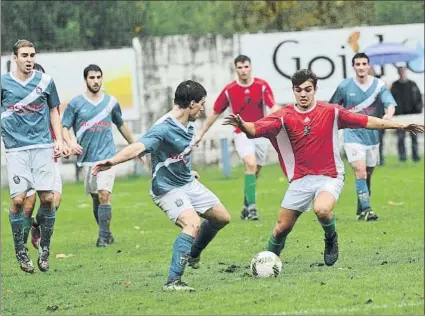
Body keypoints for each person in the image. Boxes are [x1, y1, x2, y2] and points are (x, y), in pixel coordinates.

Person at [223, 69, 424, 266]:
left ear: (315, 89)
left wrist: (400, 126)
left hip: (330, 175)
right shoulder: (283, 116)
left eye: (307, 89)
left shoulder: (331, 111)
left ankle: (330, 237)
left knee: (322, 209)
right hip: (300, 179)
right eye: (298, 89)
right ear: (293, 90)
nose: (303, 94)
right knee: (281, 228)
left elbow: (366, 121)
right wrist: (242, 125)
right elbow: (254, 130)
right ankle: (268, 262)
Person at [91, 80, 231, 292]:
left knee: (222, 217)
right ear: (192, 103)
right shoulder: (163, 127)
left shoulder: (189, 123)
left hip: (187, 182)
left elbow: (177, 154)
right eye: (201, 103)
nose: (203, 108)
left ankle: (193, 253)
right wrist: (112, 161)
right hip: (166, 188)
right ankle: (173, 281)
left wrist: (187, 171)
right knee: (192, 224)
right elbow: (139, 146)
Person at [1, 39, 63, 273]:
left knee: (48, 199)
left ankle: (44, 248)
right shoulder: (4, 83)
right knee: (18, 201)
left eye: (32, 55)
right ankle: (20, 251)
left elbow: (53, 111)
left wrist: (57, 139)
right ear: (14, 57)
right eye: (25, 55)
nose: (29, 60)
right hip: (16, 149)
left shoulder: (46, 82)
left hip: (43, 147)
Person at [195, 55, 280, 221]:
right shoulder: (229, 90)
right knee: (250, 164)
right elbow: (215, 113)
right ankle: (253, 209)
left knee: (255, 171)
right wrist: (201, 133)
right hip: (241, 133)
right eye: (240, 68)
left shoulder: (262, 86)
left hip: (260, 132)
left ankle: (246, 205)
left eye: (246, 67)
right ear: (235, 69)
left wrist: (284, 117)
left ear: (251, 67)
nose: (243, 71)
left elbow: (273, 106)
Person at [61, 64, 137, 247]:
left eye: (98, 77)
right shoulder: (75, 103)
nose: (95, 81)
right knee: (96, 197)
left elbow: (121, 124)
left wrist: (135, 146)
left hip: (107, 157)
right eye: (91, 78)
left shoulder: (111, 102)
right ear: (85, 79)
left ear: (102, 79)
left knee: (104, 194)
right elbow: (64, 127)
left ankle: (102, 238)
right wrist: (70, 143)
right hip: (86, 159)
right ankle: (107, 233)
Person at [329, 53, 397, 221]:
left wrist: (388, 116)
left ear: (368, 66)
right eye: (357, 64)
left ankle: (361, 207)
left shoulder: (379, 85)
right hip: (352, 136)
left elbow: (390, 104)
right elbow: (332, 107)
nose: (360, 67)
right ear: (353, 67)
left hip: (373, 137)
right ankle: (367, 210)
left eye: (363, 64)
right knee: (360, 171)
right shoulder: (344, 86)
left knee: (368, 173)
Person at [23, 63, 70, 251]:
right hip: (25, 158)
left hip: (49, 158)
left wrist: (63, 144)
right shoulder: (21, 106)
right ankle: (22, 247)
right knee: (27, 204)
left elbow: (57, 127)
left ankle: (36, 226)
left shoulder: (51, 104)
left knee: (54, 201)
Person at [391, 66, 423, 163]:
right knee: (401, 138)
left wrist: (418, 109)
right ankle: (402, 157)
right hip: (400, 116)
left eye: (404, 71)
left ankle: (415, 157)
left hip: (412, 115)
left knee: (414, 136)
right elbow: (391, 100)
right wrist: (394, 112)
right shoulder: (395, 86)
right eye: (401, 71)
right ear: (398, 73)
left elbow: (419, 98)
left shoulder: (412, 84)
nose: (402, 73)